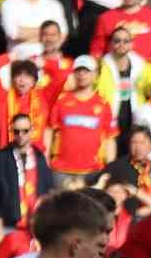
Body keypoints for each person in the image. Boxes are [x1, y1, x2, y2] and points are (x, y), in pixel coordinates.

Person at [48, 56, 116, 188]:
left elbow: (110, 138)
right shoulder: (61, 100)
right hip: (61, 169)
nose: (82, 74)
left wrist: (110, 167)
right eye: (78, 71)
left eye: (86, 71)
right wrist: (46, 159)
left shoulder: (103, 104)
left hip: (93, 170)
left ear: (95, 74)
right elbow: (49, 131)